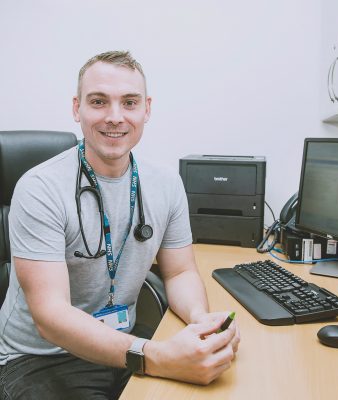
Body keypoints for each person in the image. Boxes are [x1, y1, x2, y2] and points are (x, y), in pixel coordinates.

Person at [0, 51, 240, 399]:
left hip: (124, 343)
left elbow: (179, 273)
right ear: (76, 108)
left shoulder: (166, 184)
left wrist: (200, 319)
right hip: (41, 357)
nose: (115, 117)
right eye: (99, 102)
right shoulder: (41, 188)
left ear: (147, 108)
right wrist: (156, 356)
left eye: (129, 102)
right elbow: (50, 315)